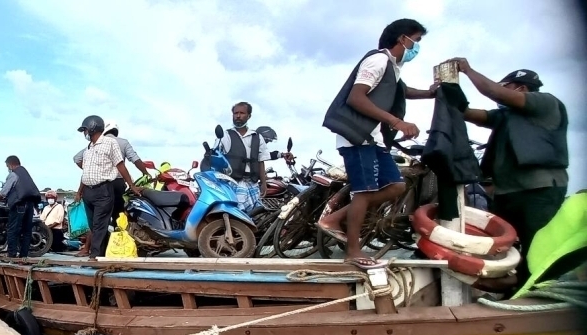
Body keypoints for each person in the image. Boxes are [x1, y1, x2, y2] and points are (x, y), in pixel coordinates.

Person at [319, 18, 438, 270]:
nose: (416, 48)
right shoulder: (377, 60)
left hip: (374, 138)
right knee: (363, 191)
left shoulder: (393, 68)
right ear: (402, 39)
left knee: (396, 185)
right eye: (416, 42)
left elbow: (401, 91)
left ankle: (334, 219)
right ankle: (352, 251)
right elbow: (356, 96)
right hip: (358, 136)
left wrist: (431, 93)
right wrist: (397, 121)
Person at [447, 61, 569, 288]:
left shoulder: (546, 103)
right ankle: (517, 288)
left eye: (507, 86)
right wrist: (446, 95)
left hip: (538, 190)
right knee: (507, 246)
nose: (501, 92)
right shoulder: (507, 116)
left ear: (521, 88)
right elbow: (471, 114)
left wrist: (467, 70)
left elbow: (494, 91)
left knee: (538, 245)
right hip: (507, 192)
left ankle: (540, 292)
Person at [75, 115, 143, 260]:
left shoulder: (110, 143)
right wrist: (80, 191)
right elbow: (85, 172)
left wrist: (131, 185)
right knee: (93, 225)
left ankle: (95, 256)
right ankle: (100, 254)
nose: (84, 133)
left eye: (85, 130)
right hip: (88, 192)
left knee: (100, 225)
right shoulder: (88, 148)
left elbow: (120, 165)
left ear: (93, 128)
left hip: (103, 190)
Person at [217, 102, 296, 212]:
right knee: (237, 214)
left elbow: (261, 161)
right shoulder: (225, 136)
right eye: (235, 113)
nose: (238, 116)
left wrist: (263, 183)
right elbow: (216, 156)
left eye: (242, 113)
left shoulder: (257, 137)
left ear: (249, 116)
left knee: (256, 214)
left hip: (252, 184)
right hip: (233, 183)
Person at [0, 156, 42, 258]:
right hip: (30, 204)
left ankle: (12, 254)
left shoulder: (13, 174)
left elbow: (4, 192)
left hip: (19, 205)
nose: (8, 168)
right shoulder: (25, 173)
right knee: (27, 230)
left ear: (10, 164)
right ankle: (24, 255)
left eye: (7, 166)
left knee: (13, 229)